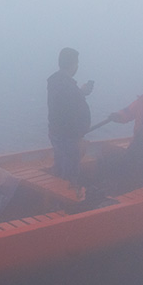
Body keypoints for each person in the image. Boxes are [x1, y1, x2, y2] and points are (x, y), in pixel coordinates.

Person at [47, 47, 93, 183]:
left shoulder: (55, 82)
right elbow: (70, 112)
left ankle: (58, 195)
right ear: (73, 64)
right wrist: (78, 136)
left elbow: (63, 104)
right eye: (77, 63)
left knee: (61, 166)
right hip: (69, 137)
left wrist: (80, 92)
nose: (77, 66)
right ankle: (66, 199)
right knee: (69, 174)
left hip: (57, 133)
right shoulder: (67, 86)